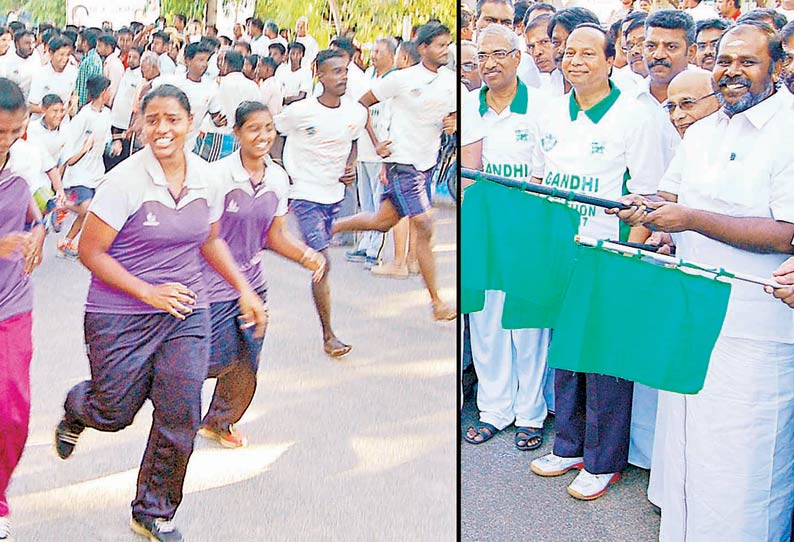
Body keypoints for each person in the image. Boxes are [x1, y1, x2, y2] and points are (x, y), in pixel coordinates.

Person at [54, 83, 267, 542]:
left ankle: (153, 511)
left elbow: (210, 240)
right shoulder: (124, 181)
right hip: (118, 313)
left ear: (190, 123)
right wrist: (149, 292)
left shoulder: (209, 179)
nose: (162, 128)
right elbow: (92, 252)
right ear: (141, 125)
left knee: (180, 412)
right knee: (115, 410)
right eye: (152, 119)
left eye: (172, 118)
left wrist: (244, 290)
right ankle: (77, 409)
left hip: (185, 310)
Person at [614, 21, 794, 540]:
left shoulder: (787, 133)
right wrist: (656, 219)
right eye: (723, 61)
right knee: (691, 459)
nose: (732, 72)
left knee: (744, 471)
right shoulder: (706, 129)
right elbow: (673, 200)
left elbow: (787, 234)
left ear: (778, 68)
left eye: (748, 62)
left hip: (755, 329)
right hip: (693, 319)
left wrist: (690, 221)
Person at [528, 23, 666, 500]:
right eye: (569, 52)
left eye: (589, 53)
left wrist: (631, 254)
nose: (575, 60)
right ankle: (567, 444)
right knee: (566, 351)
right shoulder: (550, 114)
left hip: (612, 253)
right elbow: (538, 182)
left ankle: (604, 460)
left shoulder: (635, 117)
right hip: (562, 253)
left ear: (611, 61)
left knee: (606, 360)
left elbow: (651, 197)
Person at [198, 100, 327, 448]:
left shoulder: (278, 177)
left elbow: (274, 235)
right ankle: (172, 407)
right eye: (254, 128)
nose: (263, 135)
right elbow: (206, 237)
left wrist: (306, 256)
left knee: (247, 361)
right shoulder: (217, 177)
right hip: (212, 285)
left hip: (254, 284)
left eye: (269, 128)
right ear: (237, 133)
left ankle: (219, 423)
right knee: (214, 358)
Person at [462, 24, 552, 452]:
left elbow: (545, 171)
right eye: (483, 56)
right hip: (482, 229)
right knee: (486, 320)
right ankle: (493, 410)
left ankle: (530, 413)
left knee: (528, 323)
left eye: (500, 53)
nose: (490, 63)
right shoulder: (468, 108)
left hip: (529, 229)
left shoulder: (542, 107)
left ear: (519, 57)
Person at [331, 22, 457, 322]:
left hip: (427, 164)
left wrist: (454, 123)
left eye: (447, 44)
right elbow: (363, 104)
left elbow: (454, 116)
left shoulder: (452, 82)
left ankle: (328, 227)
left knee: (381, 221)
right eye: (439, 45)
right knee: (425, 225)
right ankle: (437, 302)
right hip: (403, 163)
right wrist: (377, 144)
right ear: (423, 48)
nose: (445, 50)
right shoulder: (401, 79)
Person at [274, 49, 366, 357]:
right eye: (335, 71)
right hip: (304, 193)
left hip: (333, 195)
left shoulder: (354, 112)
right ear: (319, 75)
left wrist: (350, 164)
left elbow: (352, 139)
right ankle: (329, 336)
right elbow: (275, 131)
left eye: (345, 71)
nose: (342, 77)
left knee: (319, 253)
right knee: (322, 261)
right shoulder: (301, 112)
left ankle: (278, 242)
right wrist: (278, 169)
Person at [0, 77, 46, 542]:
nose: (8, 142)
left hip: (11, 304)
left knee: (12, 412)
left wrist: (39, 231)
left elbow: (40, 207)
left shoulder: (25, 163)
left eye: (16, 131)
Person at [346, 37, 397, 271]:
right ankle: (365, 242)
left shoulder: (394, 81)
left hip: (383, 149)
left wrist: (381, 145)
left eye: (379, 51)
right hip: (365, 148)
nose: (374, 55)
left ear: (391, 55)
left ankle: (376, 247)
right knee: (365, 198)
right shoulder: (369, 78)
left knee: (379, 200)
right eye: (373, 50)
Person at [57, 75, 114, 260]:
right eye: (108, 90)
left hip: (96, 171)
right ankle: (61, 204)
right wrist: (81, 151)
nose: (110, 94)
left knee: (90, 212)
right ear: (102, 92)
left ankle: (66, 241)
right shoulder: (83, 116)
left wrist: (113, 145)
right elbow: (69, 147)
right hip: (80, 171)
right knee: (88, 209)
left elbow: (107, 139)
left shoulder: (107, 114)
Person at [195, 50, 260, 162]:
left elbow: (207, 104)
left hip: (218, 135)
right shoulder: (253, 86)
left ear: (226, 64)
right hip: (241, 137)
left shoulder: (218, 83)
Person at [107, 46, 143, 169]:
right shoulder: (126, 72)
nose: (131, 60)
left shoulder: (141, 78)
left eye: (135, 57)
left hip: (126, 124)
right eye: (130, 57)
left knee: (121, 159)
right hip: (115, 119)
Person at [28, 36, 78, 119]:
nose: (64, 59)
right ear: (51, 53)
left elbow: (73, 93)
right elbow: (32, 106)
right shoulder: (40, 74)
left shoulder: (73, 72)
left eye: (68, 55)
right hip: (41, 122)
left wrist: (73, 101)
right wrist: (52, 113)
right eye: (61, 55)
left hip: (63, 122)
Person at [0, 30, 40, 100]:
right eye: (27, 43)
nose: (31, 46)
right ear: (17, 44)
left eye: (33, 43)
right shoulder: (5, 61)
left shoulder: (36, 55)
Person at [75, 29, 103, 108]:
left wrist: (83, 107)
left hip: (84, 106)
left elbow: (92, 88)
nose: (76, 43)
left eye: (78, 40)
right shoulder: (88, 58)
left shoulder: (91, 61)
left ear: (85, 43)